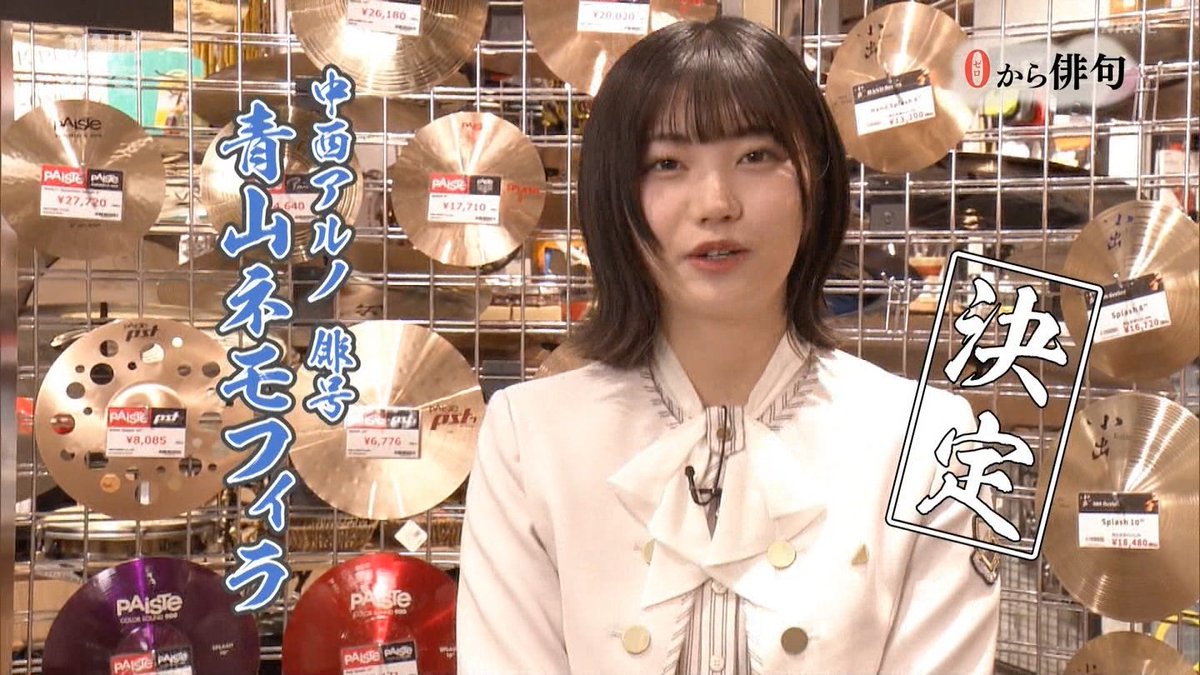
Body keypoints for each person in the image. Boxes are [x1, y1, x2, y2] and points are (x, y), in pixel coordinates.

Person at [457, 16, 1000, 674]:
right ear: (613, 198)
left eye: (756, 156)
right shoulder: (530, 438)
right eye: (666, 164)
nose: (715, 203)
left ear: (817, 182)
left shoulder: (928, 441)